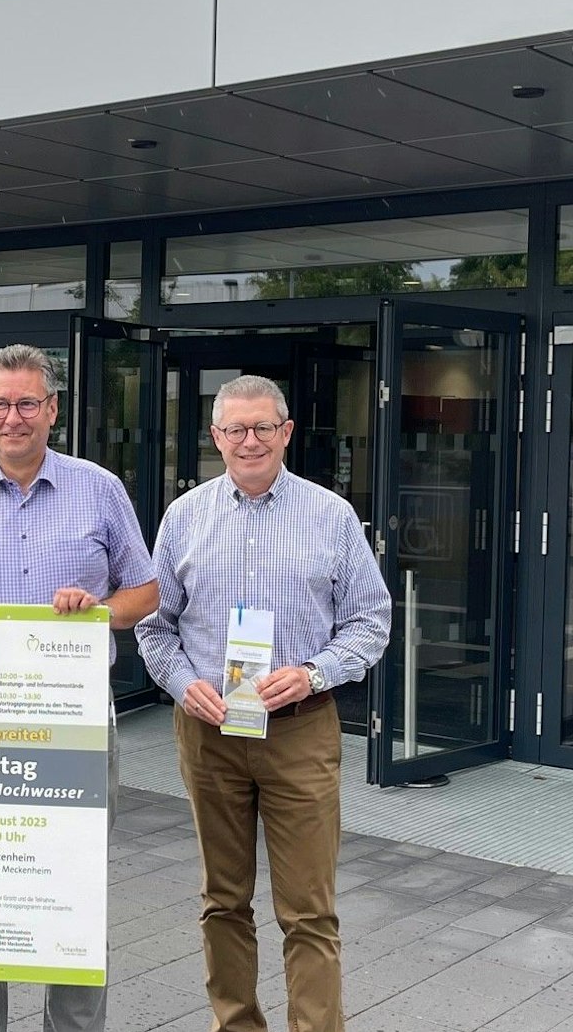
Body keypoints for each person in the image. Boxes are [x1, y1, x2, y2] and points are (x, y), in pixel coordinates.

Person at [0, 343, 157, 1032]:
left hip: (73, 727)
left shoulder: (99, 488)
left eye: (26, 403)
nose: (12, 417)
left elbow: (147, 592)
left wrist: (99, 610)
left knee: (71, 888)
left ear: (52, 409)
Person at [135, 374, 390, 1032]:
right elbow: (154, 626)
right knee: (222, 900)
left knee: (309, 909)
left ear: (286, 432)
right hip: (209, 731)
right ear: (215, 436)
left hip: (298, 730)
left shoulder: (331, 515)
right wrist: (182, 682)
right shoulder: (183, 516)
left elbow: (371, 620)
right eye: (235, 429)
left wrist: (313, 673)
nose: (250, 440)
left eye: (263, 427)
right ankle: (236, 1023)